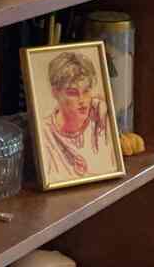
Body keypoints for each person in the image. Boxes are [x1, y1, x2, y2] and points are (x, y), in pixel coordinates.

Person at [42, 50, 115, 181]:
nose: (82, 100)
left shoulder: (100, 118)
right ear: (55, 93)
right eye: (73, 93)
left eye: (86, 91)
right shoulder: (44, 132)